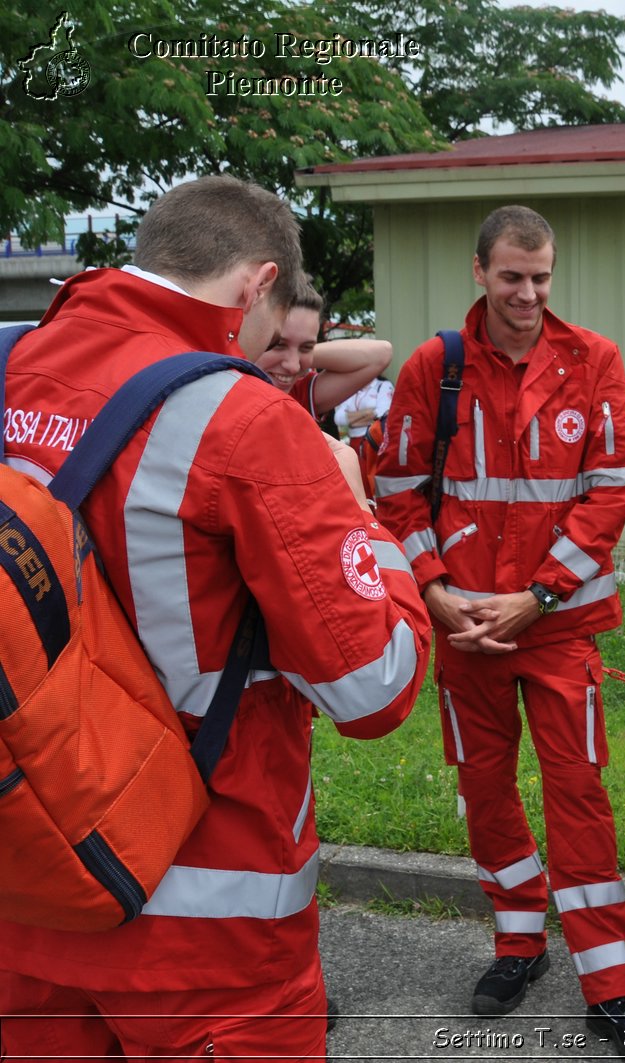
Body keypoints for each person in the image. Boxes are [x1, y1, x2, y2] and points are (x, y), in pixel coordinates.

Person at [0, 176, 430, 1061]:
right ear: (256, 283)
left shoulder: (20, 365)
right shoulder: (244, 416)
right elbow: (373, 686)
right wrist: (359, 513)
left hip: (29, 877)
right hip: (208, 920)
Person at [374, 205, 625, 1054]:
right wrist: (433, 592)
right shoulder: (436, 366)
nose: (529, 294)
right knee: (485, 789)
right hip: (466, 629)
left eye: (542, 278)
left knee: (579, 796)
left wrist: (536, 597)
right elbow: (398, 488)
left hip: (556, 626)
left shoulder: (592, 360)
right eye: (512, 277)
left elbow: (612, 489)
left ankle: (612, 987)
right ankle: (518, 942)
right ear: (480, 271)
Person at [256, 282, 393, 425]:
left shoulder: (297, 393)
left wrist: (307, 356)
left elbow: (382, 354)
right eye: (279, 344)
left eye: (306, 347)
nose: (293, 366)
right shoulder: (231, 390)